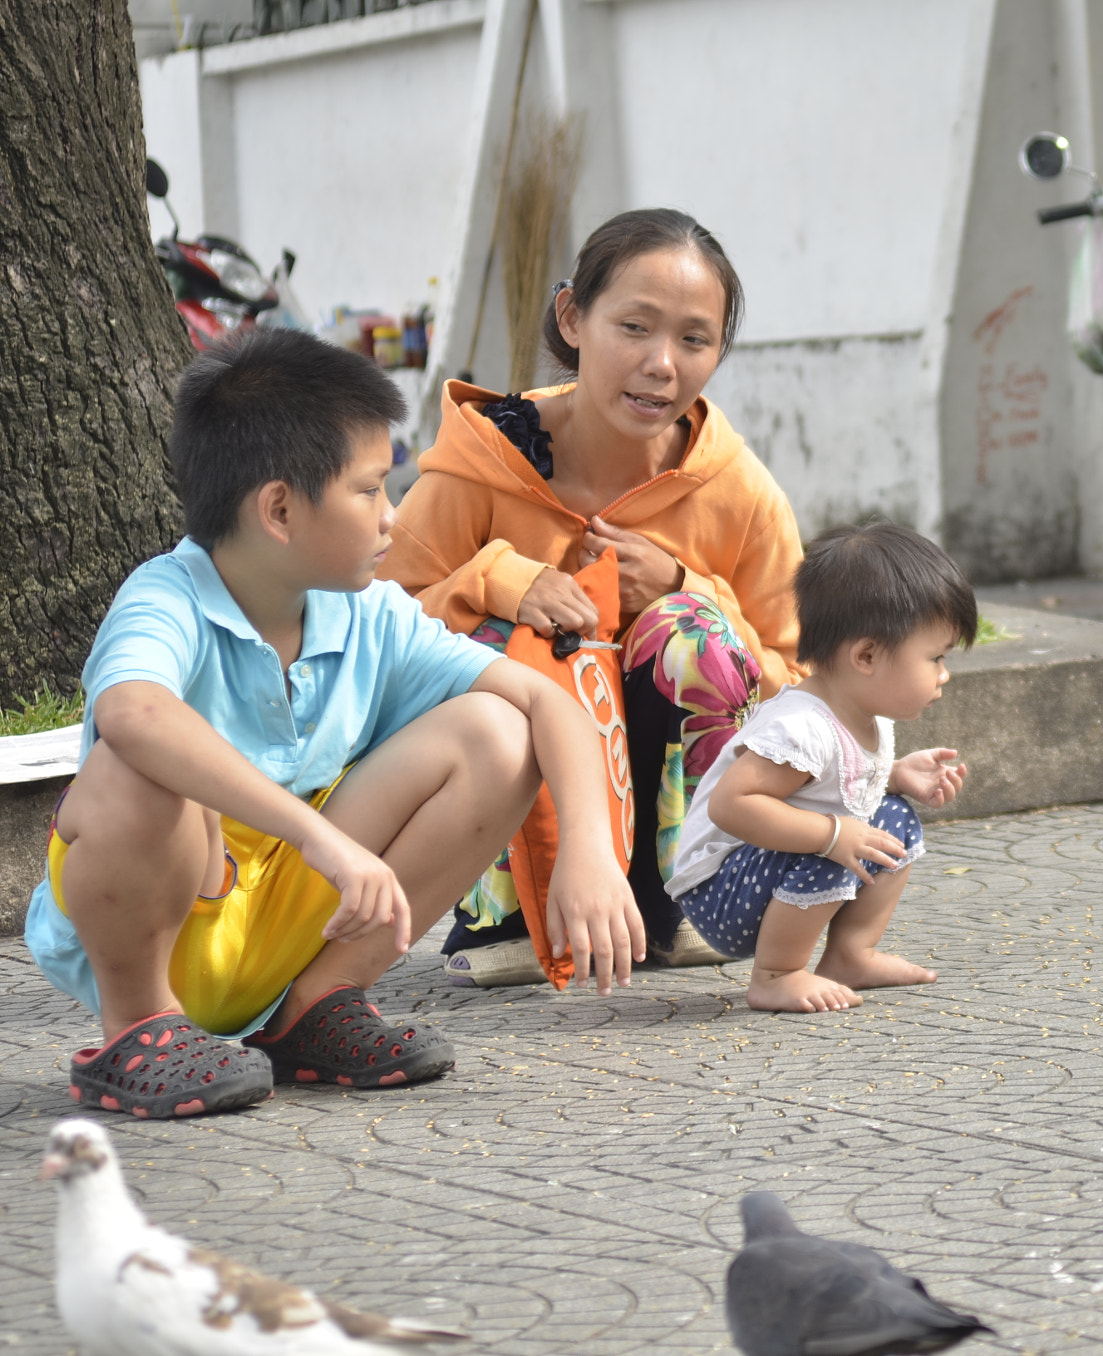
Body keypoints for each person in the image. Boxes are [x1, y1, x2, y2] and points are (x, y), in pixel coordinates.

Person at [24, 330, 642, 1119]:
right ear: (280, 509)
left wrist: (589, 853)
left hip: (297, 916)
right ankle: (138, 1029)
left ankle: (314, 1007)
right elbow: (133, 714)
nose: (392, 518)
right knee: (133, 767)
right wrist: (321, 839)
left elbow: (547, 700)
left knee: (497, 731)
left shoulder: (368, 612)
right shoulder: (165, 597)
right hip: (166, 925)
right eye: (370, 490)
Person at [381, 208, 803, 983]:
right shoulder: (484, 461)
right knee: (484, 651)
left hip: (676, 812)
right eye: (635, 328)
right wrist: (500, 583)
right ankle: (502, 915)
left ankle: (691, 900)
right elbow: (372, 629)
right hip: (521, 801)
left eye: (694, 340)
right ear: (573, 317)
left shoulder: (736, 488)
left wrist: (686, 587)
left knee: (693, 633)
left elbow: (803, 675)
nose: (661, 365)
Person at [664, 522, 976, 1012]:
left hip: (764, 869)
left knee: (894, 821)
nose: (944, 673)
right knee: (836, 841)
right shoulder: (801, 727)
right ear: (867, 655)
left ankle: (851, 954)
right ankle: (775, 975)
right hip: (720, 893)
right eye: (934, 656)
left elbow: (827, 785)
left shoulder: (860, 711)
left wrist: (894, 776)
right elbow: (732, 804)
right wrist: (830, 836)